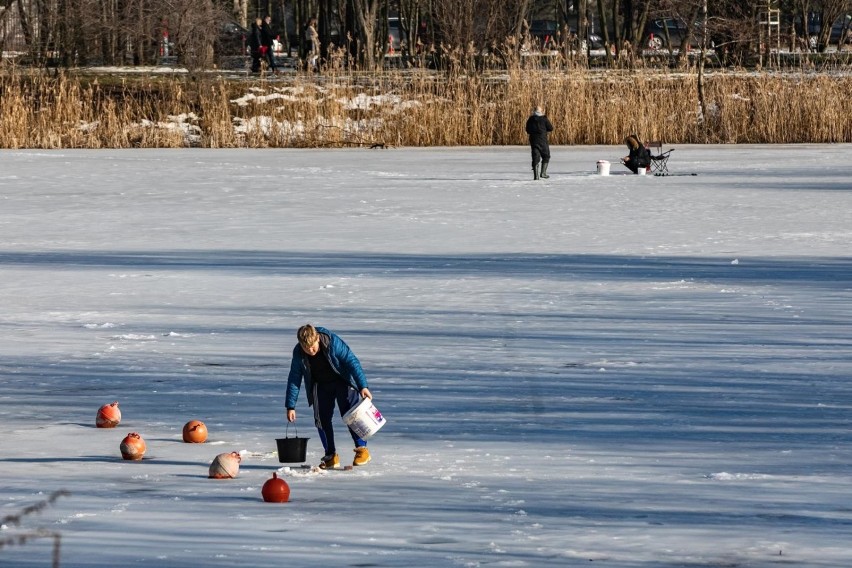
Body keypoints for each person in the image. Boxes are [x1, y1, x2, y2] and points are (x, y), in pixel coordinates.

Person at [285, 324, 373, 469]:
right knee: (321, 418)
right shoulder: (299, 352)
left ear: (317, 339)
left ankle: (362, 449)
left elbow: (352, 362)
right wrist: (290, 405)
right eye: (306, 348)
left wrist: (363, 385)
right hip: (320, 384)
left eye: (313, 347)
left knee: (352, 413)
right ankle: (330, 455)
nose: (311, 351)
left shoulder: (332, 342)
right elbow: (294, 378)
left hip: (342, 379)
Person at [525, 106, 553, 180]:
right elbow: (550, 128)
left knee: (535, 157)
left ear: (534, 111)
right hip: (542, 140)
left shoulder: (530, 119)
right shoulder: (544, 119)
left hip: (533, 140)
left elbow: (527, 130)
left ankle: (536, 176)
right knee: (546, 156)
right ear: (541, 111)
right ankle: (543, 173)